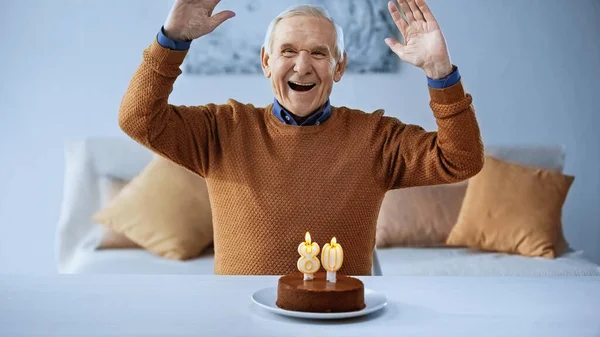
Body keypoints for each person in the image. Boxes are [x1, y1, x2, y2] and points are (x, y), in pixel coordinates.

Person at [118, 0, 484, 275]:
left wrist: (440, 73)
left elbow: (461, 159)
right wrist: (172, 41)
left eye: (319, 54)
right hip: (241, 321)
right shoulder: (222, 129)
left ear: (339, 67)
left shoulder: (376, 138)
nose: (302, 65)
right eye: (288, 51)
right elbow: (138, 119)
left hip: (341, 320)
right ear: (266, 62)